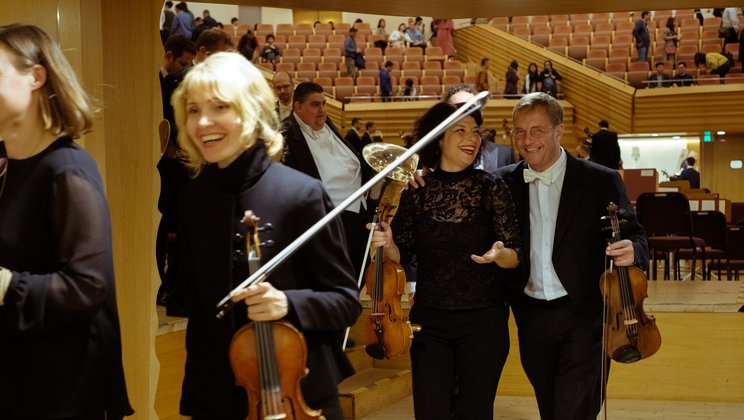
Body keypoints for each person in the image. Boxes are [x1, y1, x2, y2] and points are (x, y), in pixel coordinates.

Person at [170, 52, 361, 419]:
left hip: (294, 393)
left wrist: (288, 303)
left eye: (219, 107)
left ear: (251, 110)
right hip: (216, 395)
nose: (203, 121)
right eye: (193, 110)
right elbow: (197, 310)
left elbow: (345, 301)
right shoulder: (194, 197)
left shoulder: (301, 194)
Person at [0, 23, 132, 419]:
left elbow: (87, 286)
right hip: (20, 374)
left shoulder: (67, 168)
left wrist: (5, 285)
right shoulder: (9, 168)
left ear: (36, 77)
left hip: (64, 387)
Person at [494, 92, 648, 420]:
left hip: (585, 315)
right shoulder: (503, 182)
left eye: (536, 130)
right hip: (530, 316)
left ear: (558, 131)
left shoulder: (600, 180)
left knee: (572, 409)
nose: (526, 140)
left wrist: (632, 249)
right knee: (550, 407)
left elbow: (636, 235)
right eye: (519, 132)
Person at [371, 102, 521, 419]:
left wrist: (500, 254)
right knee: (430, 411)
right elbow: (402, 254)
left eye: (477, 132)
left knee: (475, 412)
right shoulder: (416, 191)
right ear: (439, 138)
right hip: (430, 322)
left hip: (484, 322)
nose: (472, 138)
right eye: (461, 130)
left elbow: (514, 255)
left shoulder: (492, 188)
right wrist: (388, 242)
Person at [281, 82, 373, 276]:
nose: (322, 110)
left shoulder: (326, 122)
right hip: (327, 224)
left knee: (357, 277)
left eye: (324, 104)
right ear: (297, 106)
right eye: (315, 105)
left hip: (358, 214)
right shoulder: (286, 136)